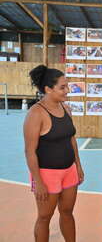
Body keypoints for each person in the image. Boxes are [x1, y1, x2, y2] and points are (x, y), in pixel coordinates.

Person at [23, 65, 84, 242]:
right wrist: (38, 182)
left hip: (69, 171)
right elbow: (30, 151)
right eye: (62, 87)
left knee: (67, 212)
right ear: (48, 89)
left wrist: (78, 166)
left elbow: (71, 139)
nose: (68, 90)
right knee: (44, 217)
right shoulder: (36, 114)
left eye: (67, 86)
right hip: (46, 175)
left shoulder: (66, 109)